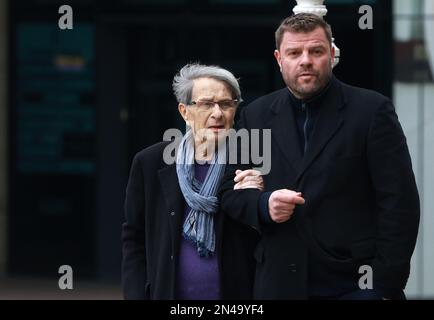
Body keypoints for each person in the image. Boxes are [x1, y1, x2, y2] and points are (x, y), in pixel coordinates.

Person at [219, 13, 420, 300]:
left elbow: (400, 202)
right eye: (294, 52)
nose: (306, 60)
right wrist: (264, 205)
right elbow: (229, 191)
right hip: (278, 283)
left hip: (354, 284)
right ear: (279, 58)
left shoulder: (372, 111)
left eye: (316, 51)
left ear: (332, 54)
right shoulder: (255, 115)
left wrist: (384, 285)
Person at [122, 63, 262, 300]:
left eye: (226, 104)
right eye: (206, 104)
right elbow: (134, 239)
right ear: (184, 111)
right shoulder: (151, 162)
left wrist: (260, 199)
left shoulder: (251, 163)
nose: (217, 113)